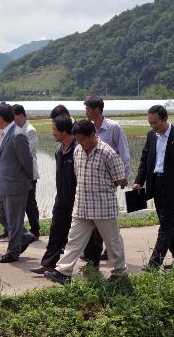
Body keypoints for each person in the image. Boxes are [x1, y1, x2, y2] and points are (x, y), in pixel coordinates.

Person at [44, 119, 128, 283]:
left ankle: (119, 273)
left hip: (103, 208)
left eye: (83, 139)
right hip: (82, 206)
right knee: (73, 240)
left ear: (93, 135)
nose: (81, 143)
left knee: (112, 242)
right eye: (78, 140)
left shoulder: (107, 153)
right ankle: (64, 272)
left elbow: (120, 179)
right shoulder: (78, 152)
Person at [133, 105, 174, 270]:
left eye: (155, 122)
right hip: (155, 184)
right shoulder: (151, 135)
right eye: (150, 123)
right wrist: (139, 181)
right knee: (170, 223)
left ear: (165, 119)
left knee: (166, 226)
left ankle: (154, 263)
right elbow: (145, 160)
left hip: (173, 186)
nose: (153, 126)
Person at [83, 95, 130, 263]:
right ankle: (97, 250)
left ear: (96, 110)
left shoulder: (113, 128)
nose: (86, 112)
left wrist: (123, 177)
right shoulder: (87, 127)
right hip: (92, 179)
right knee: (94, 215)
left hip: (109, 179)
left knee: (107, 216)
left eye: (88, 109)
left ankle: (109, 253)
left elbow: (123, 152)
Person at [32, 116, 77, 274]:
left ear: (65, 131)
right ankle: (48, 264)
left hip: (78, 201)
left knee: (86, 235)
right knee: (56, 231)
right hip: (61, 200)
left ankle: (93, 262)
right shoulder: (59, 150)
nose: (52, 133)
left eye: (54, 130)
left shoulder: (77, 150)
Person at [0, 102, 35, 263]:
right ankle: (24, 236)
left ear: (1, 118)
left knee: (14, 220)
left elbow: (27, 162)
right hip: (4, 185)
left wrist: (24, 181)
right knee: (1, 214)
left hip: (16, 185)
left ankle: (13, 252)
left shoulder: (18, 135)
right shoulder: (4, 133)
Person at [13, 104, 41, 237]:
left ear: (22, 115)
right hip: (16, 172)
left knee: (30, 202)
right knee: (15, 204)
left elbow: (27, 152)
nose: (13, 119)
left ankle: (35, 229)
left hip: (28, 172)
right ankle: (12, 229)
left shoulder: (30, 130)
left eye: (15, 117)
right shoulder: (13, 129)